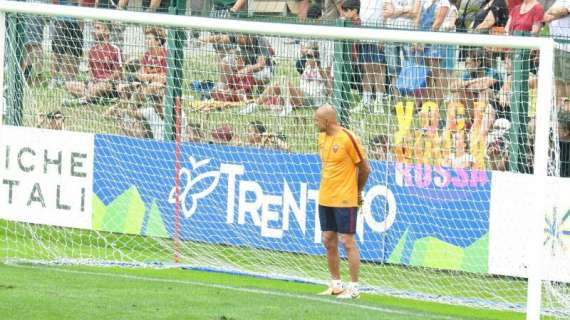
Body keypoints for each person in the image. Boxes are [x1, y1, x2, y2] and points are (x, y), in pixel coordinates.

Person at [314, 104, 371, 299]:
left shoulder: (348, 137)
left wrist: (357, 191)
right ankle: (336, 284)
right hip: (325, 198)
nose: (315, 123)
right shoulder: (321, 138)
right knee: (328, 239)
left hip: (345, 198)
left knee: (347, 241)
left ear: (328, 120)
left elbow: (365, 168)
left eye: (317, 120)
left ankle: (354, 288)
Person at [63, 21, 122, 106]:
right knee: (68, 85)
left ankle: (80, 101)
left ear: (107, 31)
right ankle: (97, 99)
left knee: (101, 87)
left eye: (98, 28)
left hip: (108, 85)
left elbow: (118, 73)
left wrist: (105, 81)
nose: (94, 31)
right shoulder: (92, 50)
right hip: (94, 84)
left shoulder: (114, 49)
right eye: (94, 28)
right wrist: (91, 81)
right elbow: (91, 70)